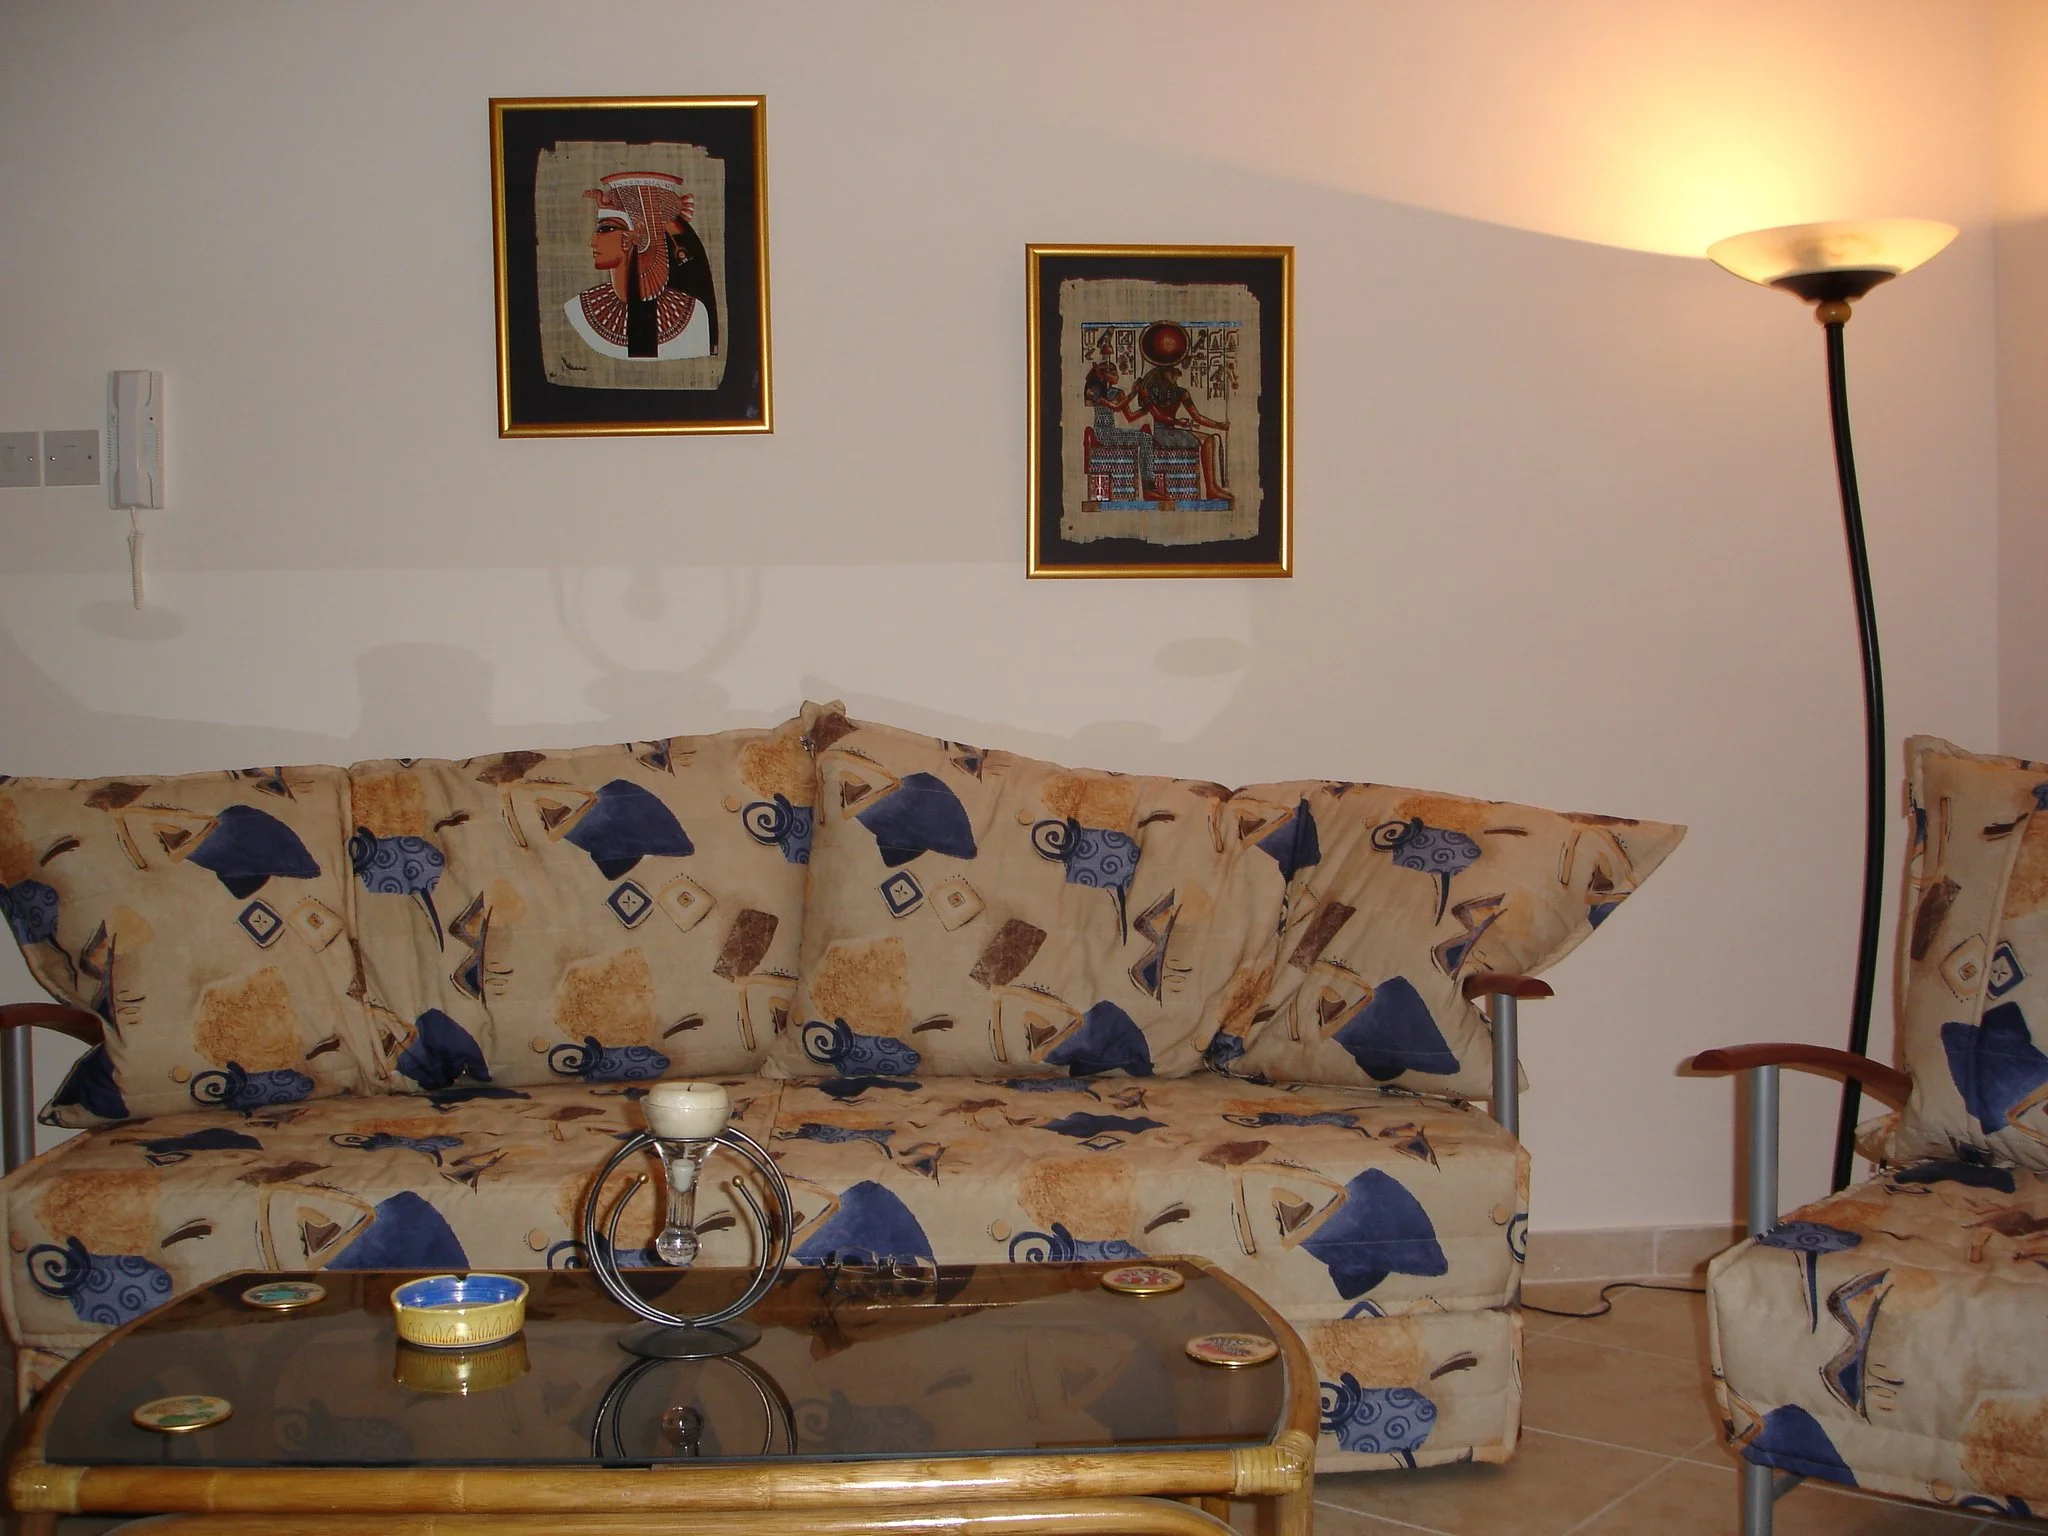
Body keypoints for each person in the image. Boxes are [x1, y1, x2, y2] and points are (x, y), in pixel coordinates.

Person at [564, 171, 720, 362]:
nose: (592, 242)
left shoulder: (695, 315)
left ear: (638, 235)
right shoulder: (575, 309)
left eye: (605, 229)